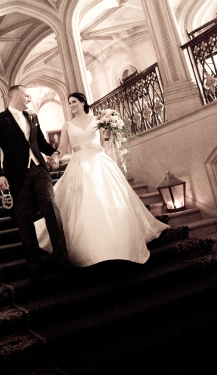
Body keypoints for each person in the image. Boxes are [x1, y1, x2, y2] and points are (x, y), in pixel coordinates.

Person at [35, 92, 169, 266]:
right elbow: (63, 147)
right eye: (69, 103)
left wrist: (107, 137)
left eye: (74, 101)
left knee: (109, 201)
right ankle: (90, 247)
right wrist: (55, 158)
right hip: (79, 164)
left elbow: (104, 146)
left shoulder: (97, 120)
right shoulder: (67, 125)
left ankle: (116, 243)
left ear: (83, 102)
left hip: (99, 161)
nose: (71, 105)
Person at [0, 85, 69, 282]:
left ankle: (62, 259)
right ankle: (35, 265)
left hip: (39, 170)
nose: (29, 100)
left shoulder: (32, 117)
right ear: (15, 97)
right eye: (26, 96)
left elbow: (40, 142)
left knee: (51, 209)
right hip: (16, 175)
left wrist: (55, 153)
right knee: (23, 219)